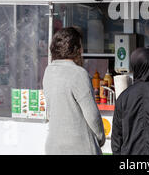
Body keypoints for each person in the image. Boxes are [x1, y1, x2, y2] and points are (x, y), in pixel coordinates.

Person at [42, 27, 105, 155]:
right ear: (76, 49)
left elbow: (50, 112)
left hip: (53, 147)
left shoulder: (48, 71)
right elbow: (92, 115)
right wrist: (100, 138)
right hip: (80, 147)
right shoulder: (79, 74)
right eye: (81, 47)